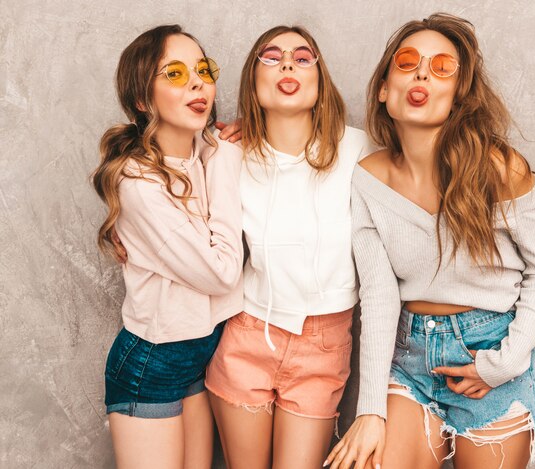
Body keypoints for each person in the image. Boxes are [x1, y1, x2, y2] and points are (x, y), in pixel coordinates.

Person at [326, 13, 535, 469]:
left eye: (442, 68)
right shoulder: (369, 177)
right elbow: (378, 296)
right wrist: (371, 410)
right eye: (408, 61)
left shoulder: (498, 168)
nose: (421, 73)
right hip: (410, 357)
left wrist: (504, 362)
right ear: (383, 88)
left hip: (491, 350)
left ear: (458, 95)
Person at [205, 25, 375, 469]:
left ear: (320, 83)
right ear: (253, 83)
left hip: (324, 341)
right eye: (272, 56)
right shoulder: (228, 154)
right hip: (247, 332)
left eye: (302, 58)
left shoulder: (359, 149)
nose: (287, 63)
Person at [91, 24, 243, 469]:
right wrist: (225, 159)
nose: (198, 83)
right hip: (151, 364)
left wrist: (223, 146)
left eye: (202, 69)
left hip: (199, 354)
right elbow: (221, 272)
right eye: (174, 74)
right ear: (142, 99)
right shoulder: (138, 182)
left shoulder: (207, 151)